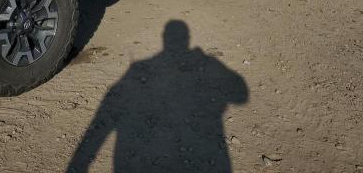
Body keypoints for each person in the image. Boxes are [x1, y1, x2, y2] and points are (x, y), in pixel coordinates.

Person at [68, 20, 248, 172]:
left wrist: (77, 166)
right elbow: (241, 95)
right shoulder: (204, 62)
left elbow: (102, 118)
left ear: (164, 38)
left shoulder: (136, 69)